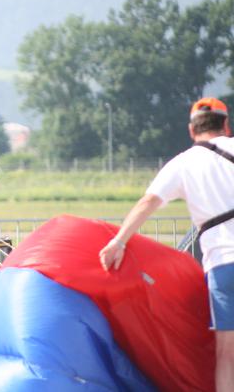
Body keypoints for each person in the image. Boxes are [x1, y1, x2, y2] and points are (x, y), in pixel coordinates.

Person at [99, 97, 234, 390]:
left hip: (224, 265)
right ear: (226, 125)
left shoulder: (183, 163)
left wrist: (119, 241)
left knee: (227, 351)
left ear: (191, 129)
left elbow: (149, 201)